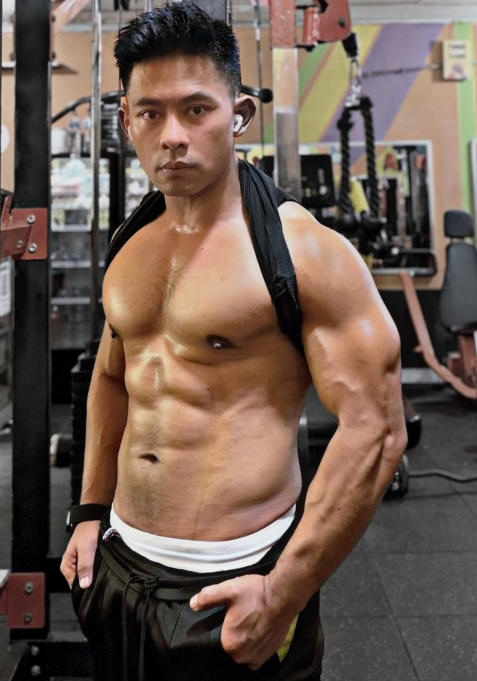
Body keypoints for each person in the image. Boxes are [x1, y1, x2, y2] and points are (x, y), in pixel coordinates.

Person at [60, 4, 407, 680]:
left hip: (238, 576)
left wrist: (284, 592)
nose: (172, 136)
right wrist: (89, 511)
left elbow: (377, 430)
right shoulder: (130, 243)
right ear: (126, 120)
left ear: (239, 114)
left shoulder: (305, 252)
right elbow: (111, 376)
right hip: (120, 564)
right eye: (150, 113)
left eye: (196, 110)